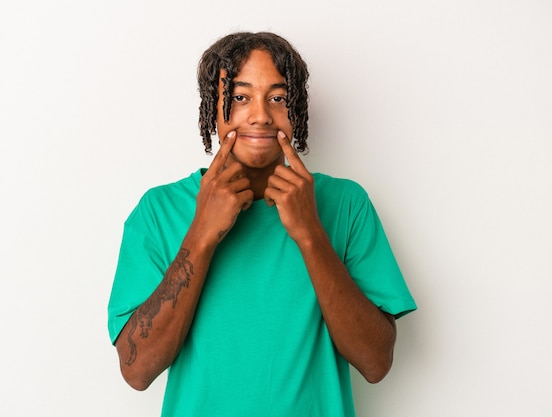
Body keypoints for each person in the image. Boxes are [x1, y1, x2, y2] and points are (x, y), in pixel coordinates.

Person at [107, 31, 416, 416]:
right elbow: (137, 370)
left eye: (277, 98)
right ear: (212, 109)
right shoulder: (159, 210)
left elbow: (376, 362)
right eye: (239, 97)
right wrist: (201, 233)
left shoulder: (346, 204)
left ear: (296, 109)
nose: (260, 115)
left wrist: (310, 234)